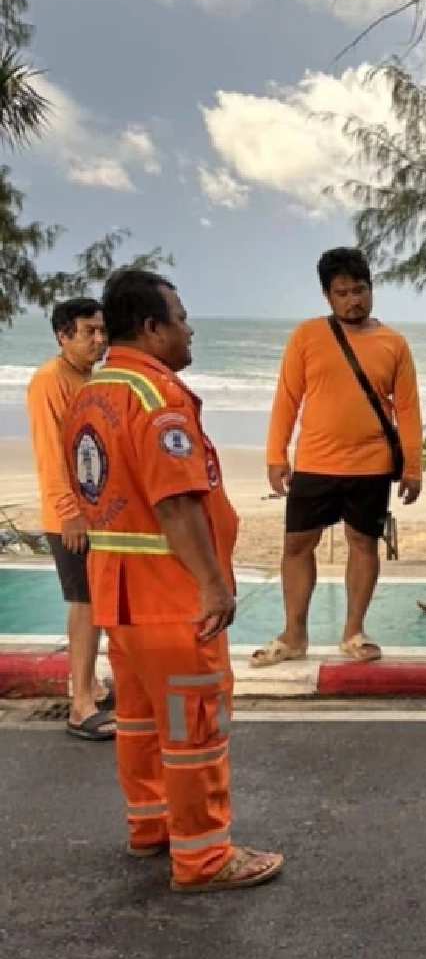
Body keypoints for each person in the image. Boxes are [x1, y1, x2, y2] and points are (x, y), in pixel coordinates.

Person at [63, 270, 282, 892]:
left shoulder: (93, 392)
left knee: (140, 722)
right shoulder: (157, 398)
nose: (190, 330)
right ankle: (205, 857)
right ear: (153, 328)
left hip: (118, 595)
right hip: (169, 596)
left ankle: (151, 826)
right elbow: (177, 503)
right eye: (181, 317)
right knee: (195, 731)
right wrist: (213, 584)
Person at [253, 248, 423, 668]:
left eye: (360, 290)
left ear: (371, 289)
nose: (354, 300)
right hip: (314, 461)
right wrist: (276, 454)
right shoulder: (308, 336)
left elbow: (408, 408)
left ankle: (354, 631)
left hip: (372, 463)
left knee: (363, 543)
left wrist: (413, 467)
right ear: (327, 296)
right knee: (296, 545)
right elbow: (287, 398)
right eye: (342, 293)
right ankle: (294, 635)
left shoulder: (394, 343)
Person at [26, 297, 114, 740]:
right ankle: (80, 705)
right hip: (71, 517)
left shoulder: (87, 378)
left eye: (102, 331)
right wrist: (70, 514)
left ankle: (92, 684)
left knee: (96, 602)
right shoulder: (50, 381)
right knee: (85, 605)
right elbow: (51, 455)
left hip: (95, 513)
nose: (99, 340)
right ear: (64, 336)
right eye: (88, 332)